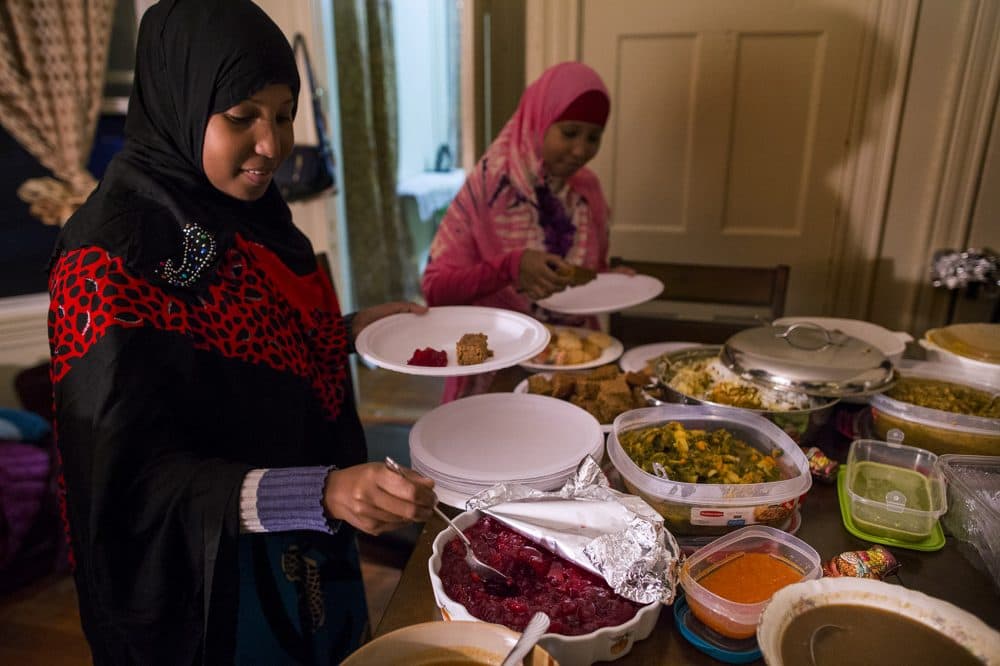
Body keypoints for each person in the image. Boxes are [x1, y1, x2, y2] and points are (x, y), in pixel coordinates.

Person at [46, 1, 435, 663]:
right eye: (241, 116)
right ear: (179, 97)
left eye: (284, 115)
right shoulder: (111, 260)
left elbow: (232, 359)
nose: (273, 146)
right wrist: (319, 491)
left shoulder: (240, 213)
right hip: (212, 592)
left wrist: (344, 333)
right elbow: (131, 484)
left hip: (309, 535)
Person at [421, 61, 631, 401]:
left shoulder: (587, 190)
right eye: (570, 132)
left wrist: (609, 280)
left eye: (594, 137)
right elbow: (435, 289)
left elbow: (578, 275)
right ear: (540, 120)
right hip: (497, 373)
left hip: (575, 374)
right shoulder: (488, 187)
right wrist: (510, 267)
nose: (581, 151)